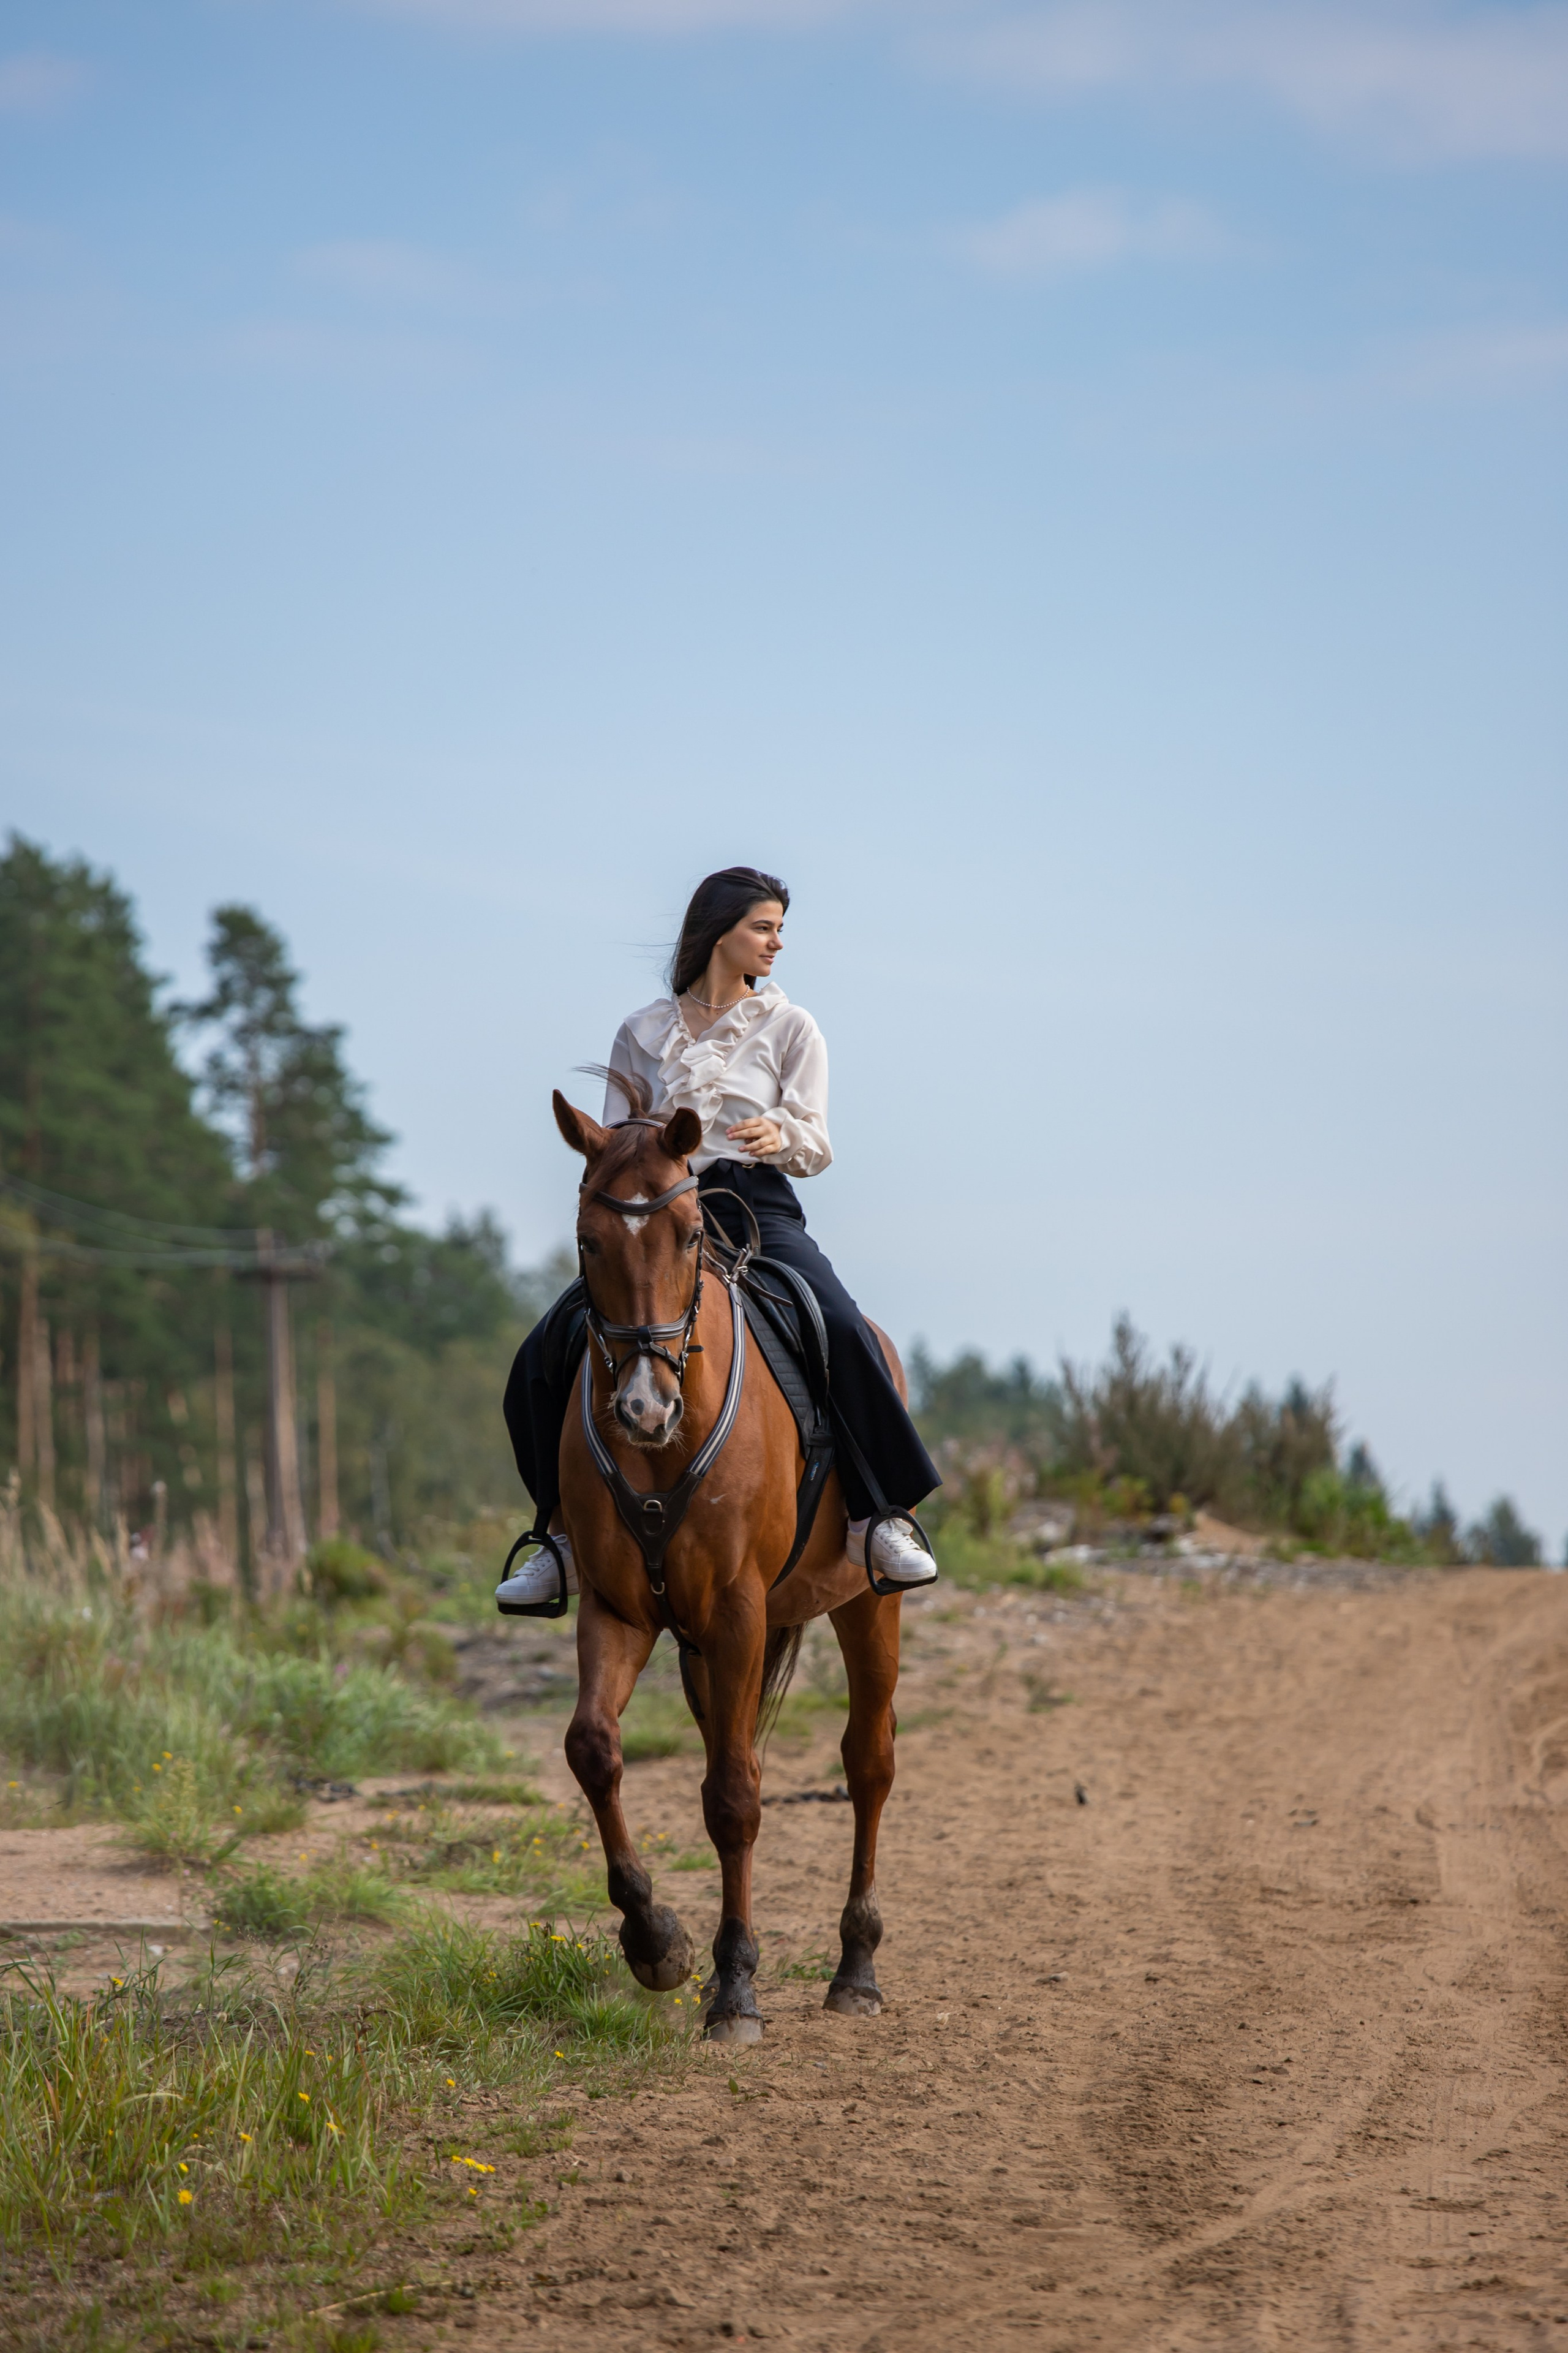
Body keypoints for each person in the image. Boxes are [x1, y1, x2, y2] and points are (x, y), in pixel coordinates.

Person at [497, 865, 940, 1606]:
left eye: (778, 930)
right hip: (657, 1218)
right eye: (763, 928)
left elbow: (817, 1140)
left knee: (838, 1323)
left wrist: (779, 1132)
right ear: (718, 932)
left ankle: (878, 1515)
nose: (776, 943)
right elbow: (616, 1141)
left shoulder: (791, 1026)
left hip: (754, 1207)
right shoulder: (641, 1030)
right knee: (540, 1354)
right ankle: (560, 1538)